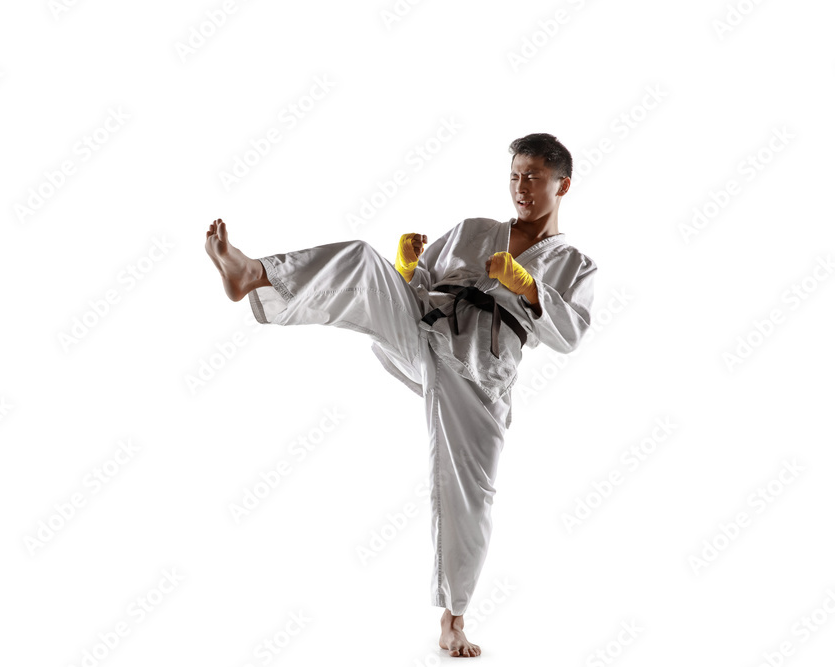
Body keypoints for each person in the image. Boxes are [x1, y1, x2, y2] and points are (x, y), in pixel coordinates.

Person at [204, 133, 597, 658]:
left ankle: (453, 620)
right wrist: (409, 269)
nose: (520, 187)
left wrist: (528, 287)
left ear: (561, 184)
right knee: (365, 262)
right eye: (514, 175)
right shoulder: (474, 230)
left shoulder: (574, 261)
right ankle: (255, 273)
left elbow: (569, 334)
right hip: (423, 334)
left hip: (481, 375)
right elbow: (413, 290)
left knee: (472, 494)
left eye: (532, 177)